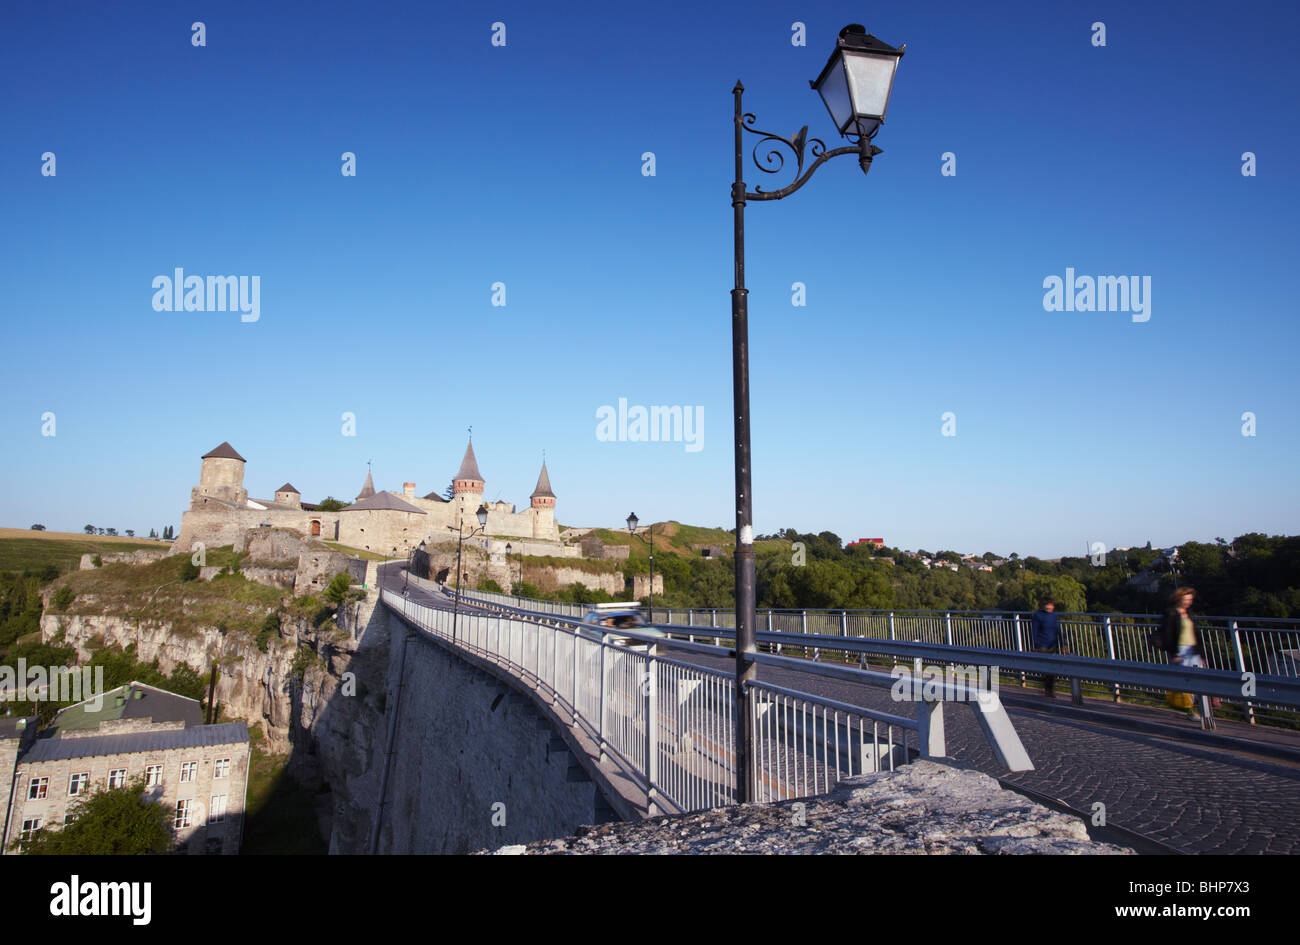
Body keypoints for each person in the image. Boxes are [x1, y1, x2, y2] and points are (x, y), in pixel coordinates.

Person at [1160, 587, 1205, 719]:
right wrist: (1174, 654)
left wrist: (1201, 654)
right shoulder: (1171, 613)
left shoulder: (1189, 613)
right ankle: (1190, 712)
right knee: (1186, 683)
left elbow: (1195, 634)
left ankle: (1201, 709)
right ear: (1179, 599)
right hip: (1181, 650)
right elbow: (1168, 635)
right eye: (1186, 599)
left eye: (1190, 599)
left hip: (1193, 651)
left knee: (1199, 681)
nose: (1189, 602)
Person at [1030, 598, 1061, 697]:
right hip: (1042, 646)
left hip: (1052, 645)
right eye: (1048, 605)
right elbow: (1034, 631)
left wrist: (1063, 643)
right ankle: (1048, 690)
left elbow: (1058, 630)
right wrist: (1036, 645)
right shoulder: (1038, 615)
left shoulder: (1054, 616)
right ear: (1043, 606)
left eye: (1051, 605)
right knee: (1047, 669)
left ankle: (1048, 689)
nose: (1050, 607)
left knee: (1052, 668)